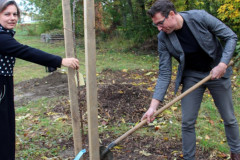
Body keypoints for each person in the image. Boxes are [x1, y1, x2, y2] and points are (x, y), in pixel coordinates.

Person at [141, 0, 240, 159]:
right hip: (192, 76)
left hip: (217, 72)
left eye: (160, 23)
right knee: (187, 122)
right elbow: (165, 73)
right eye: (156, 25)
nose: (159, 28)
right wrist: (153, 107)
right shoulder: (163, 38)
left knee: (229, 118)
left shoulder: (199, 17)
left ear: (172, 14)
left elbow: (230, 36)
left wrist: (223, 64)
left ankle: (236, 154)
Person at [0, 0, 79, 159]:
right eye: (7, 14)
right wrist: (60, 61)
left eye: (15, 14)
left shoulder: (5, 35)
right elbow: (25, 51)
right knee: (3, 130)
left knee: (6, 127)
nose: (12, 18)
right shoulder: (2, 38)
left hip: (4, 84)